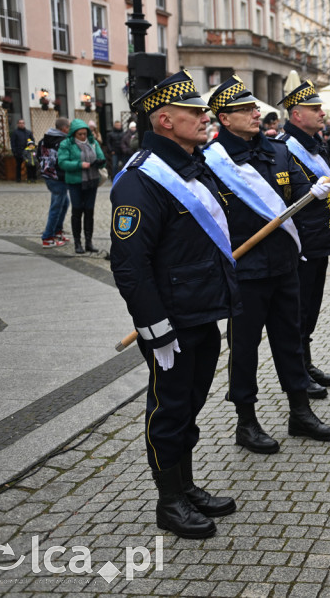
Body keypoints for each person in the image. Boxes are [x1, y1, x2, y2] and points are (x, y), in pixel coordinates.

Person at [110, 70, 241, 539]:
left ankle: (185, 486)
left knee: (188, 407)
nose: (206, 118)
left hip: (202, 311)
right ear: (165, 119)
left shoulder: (191, 163)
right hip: (172, 321)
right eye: (195, 112)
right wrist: (155, 328)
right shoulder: (141, 179)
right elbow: (129, 264)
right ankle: (169, 502)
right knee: (168, 411)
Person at [203, 76, 330, 454]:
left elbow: (297, 193)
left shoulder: (277, 152)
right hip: (245, 270)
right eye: (245, 109)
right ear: (224, 119)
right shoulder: (213, 161)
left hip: (283, 264)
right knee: (244, 348)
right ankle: (246, 421)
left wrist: (314, 192)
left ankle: (300, 411)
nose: (255, 112)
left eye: (254, 107)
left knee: (289, 340)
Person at [276, 81, 330, 390]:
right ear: (297, 114)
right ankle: (297, 372)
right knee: (297, 312)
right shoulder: (283, 147)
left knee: (311, 307)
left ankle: (306, 363)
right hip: (299, 243)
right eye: (316, 109)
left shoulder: (316, 144)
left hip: (318, 241)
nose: (322, 114)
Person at [57, 119, 106, 254]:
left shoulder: (93, 142)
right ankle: (77, 243)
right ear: (74, 134)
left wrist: (100, 162)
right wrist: (79, 164)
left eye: (85, 133)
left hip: (92, 181)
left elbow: (101, 157)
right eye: (80, 134)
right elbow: (62, 162)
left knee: (89, 212)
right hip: (76, 182)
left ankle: (88, 242)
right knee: (77, 211)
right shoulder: (66, 144)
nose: (83, 136)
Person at [39, 118, 71, 247]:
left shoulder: (44, 139)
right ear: (64, 128)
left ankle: (57, 231)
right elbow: (62, 160)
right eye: (69, 127)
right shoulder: (62, 141)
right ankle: (48, 236)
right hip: (57, 177)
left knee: (64, 203)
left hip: (48, 174)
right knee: (57, 206)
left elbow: (38, 155)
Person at [11, 119, 34, 183]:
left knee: (29, 165)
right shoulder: (15, 132)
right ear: (17, 124)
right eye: (20, 123)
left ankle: (30, 178)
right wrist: (14, 151)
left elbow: (32, 141)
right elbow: (13, 143)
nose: (21, 124)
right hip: (19, 152)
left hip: (28, 152)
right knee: (18, 165)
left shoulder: (28, 132)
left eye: (23, 123)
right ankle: (18, 178)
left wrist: (31, 149)